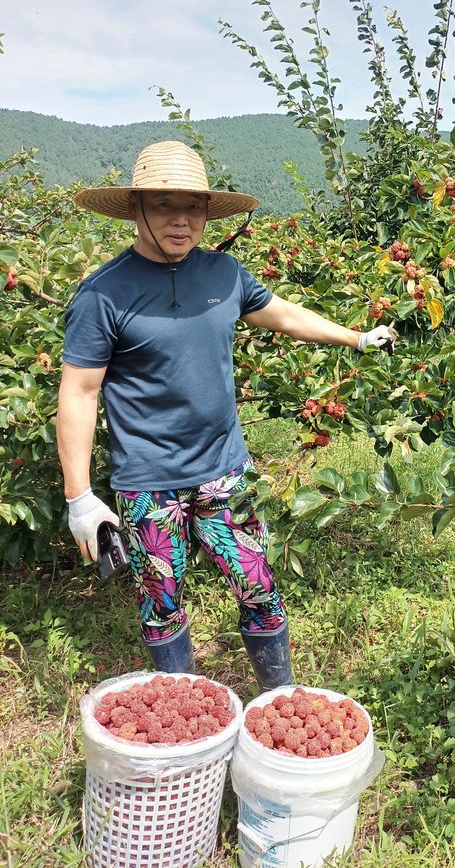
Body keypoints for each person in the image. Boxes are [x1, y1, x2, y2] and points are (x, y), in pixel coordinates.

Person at [56, 140, 395, 689]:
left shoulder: (224, 274)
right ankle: (185, 720)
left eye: (194, 207)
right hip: (148, 483)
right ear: (136, 209)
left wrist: (355, 336)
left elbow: (280, 314)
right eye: (165, 206)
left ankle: (278, 702)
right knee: (162, 604)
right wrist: (79, 498)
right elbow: (79, 391)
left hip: (224, 474)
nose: (182, 220)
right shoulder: (103, 294)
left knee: (258, 585)